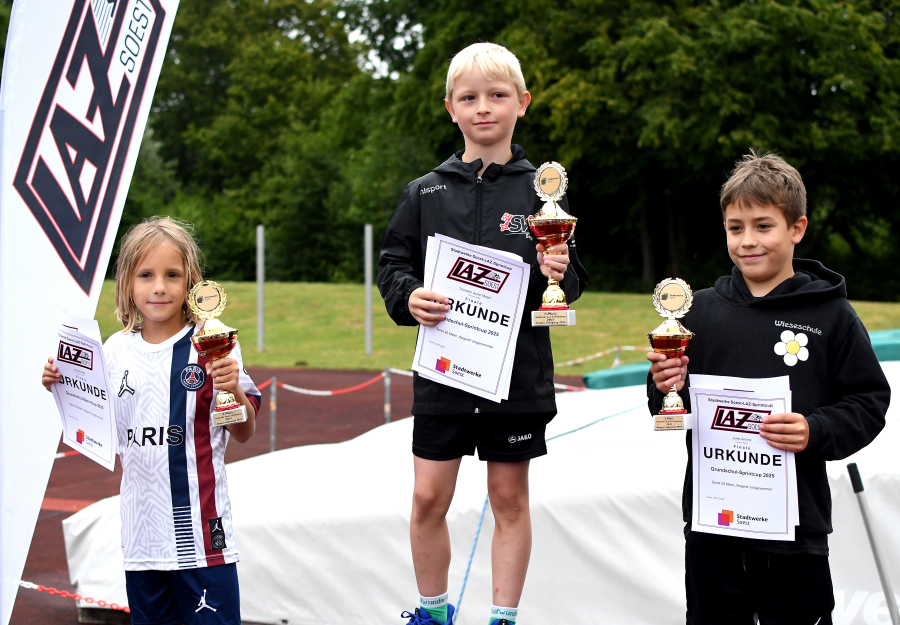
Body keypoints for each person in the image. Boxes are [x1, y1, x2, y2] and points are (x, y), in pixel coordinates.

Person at [378, 42, 588, 625]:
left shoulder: (543, 194)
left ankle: (503, 617)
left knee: (508, 501)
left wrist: (560, 273)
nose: (483, 108)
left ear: (522, 103)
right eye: (469, 98)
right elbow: (393, 262)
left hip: (515, 378)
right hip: (444, 375)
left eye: (497, 96)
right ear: (450, 108)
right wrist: (408, 296)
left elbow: (572, 282)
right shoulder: (425, 191)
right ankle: (432, 611)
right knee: (426, 500)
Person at [647, 151, 890, 624]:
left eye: (763, 226)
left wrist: (814, 429)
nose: (747, 241)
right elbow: (665, 404)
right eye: (735, 228)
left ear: (796, 228)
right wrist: (661, 385)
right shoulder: (698, 313)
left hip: (796, 534)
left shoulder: (831, 315)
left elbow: (869, 400)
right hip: (712, 530)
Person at [42, 217, 261, 625]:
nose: (159, 286)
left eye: (172, 275)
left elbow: (245, 432)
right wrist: (59, 384)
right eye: (146, 275)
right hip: (142, 538)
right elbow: (91, 423)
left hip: (202, 539)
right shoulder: (113, 350)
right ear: (127, 283)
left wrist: (232, 387)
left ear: (191, 283)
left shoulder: (213, 345)